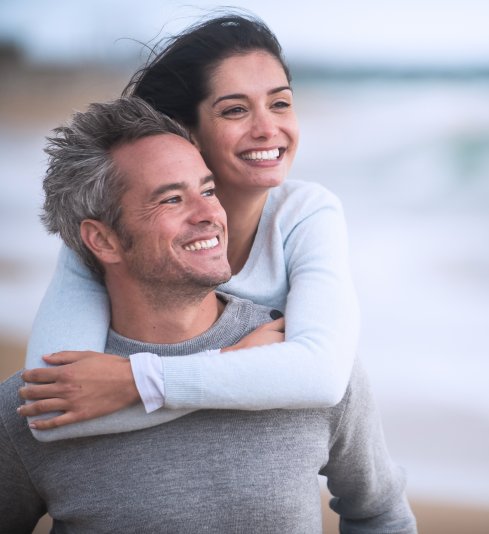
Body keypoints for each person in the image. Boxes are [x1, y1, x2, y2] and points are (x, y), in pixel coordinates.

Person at [0, 96, 416, 533]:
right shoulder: (43, 400)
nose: (210, 215)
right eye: (172, 200)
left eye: (208, 189)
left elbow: (380, 514)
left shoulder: (303, 360)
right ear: (102, 241)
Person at [20, 12, 362, 440]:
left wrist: (136, 382)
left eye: (280, 103)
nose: (267, 128)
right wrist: (238, 360)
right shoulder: (115, 231)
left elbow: (323, 375)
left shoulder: (306, 214)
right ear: (186, 132)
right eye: (235, 110)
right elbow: (50, 411)